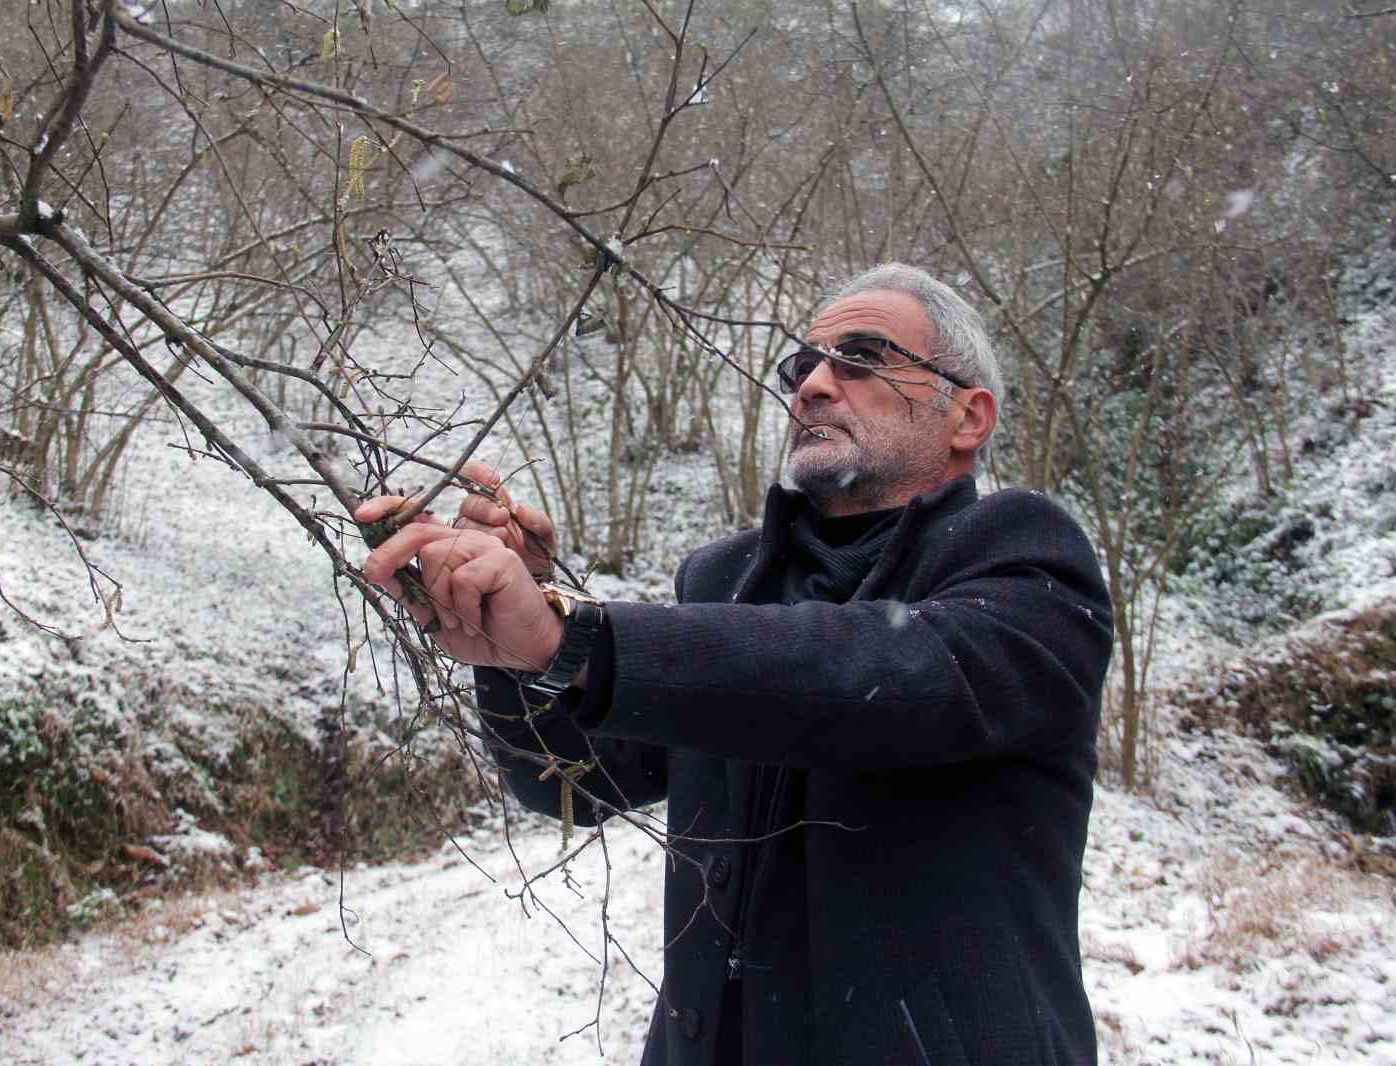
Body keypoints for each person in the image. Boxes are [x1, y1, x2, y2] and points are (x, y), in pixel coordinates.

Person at [357, 263, 1113, 1066]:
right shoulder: (723, 581)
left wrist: (575, 638)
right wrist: (512, 643)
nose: (815, 384)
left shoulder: (1026, 560)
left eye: (861, 357)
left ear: (969, 414)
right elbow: (569, 785)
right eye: (804, 365)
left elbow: (889, 675)